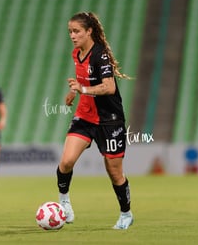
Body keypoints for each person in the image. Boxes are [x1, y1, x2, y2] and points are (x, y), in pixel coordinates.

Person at [57, 12, 133, 230]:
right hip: (85, 115)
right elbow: (84, 79)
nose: (72, 35)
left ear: (89, 31)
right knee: (66, 162)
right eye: (70, 31)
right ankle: (64, 204)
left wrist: (82, 89)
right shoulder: (77, 53)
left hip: (110, 120)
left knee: (114, 170)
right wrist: (75, 92)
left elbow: (109, 87)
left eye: (76, 31)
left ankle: (126, 213)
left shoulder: (100, 55)